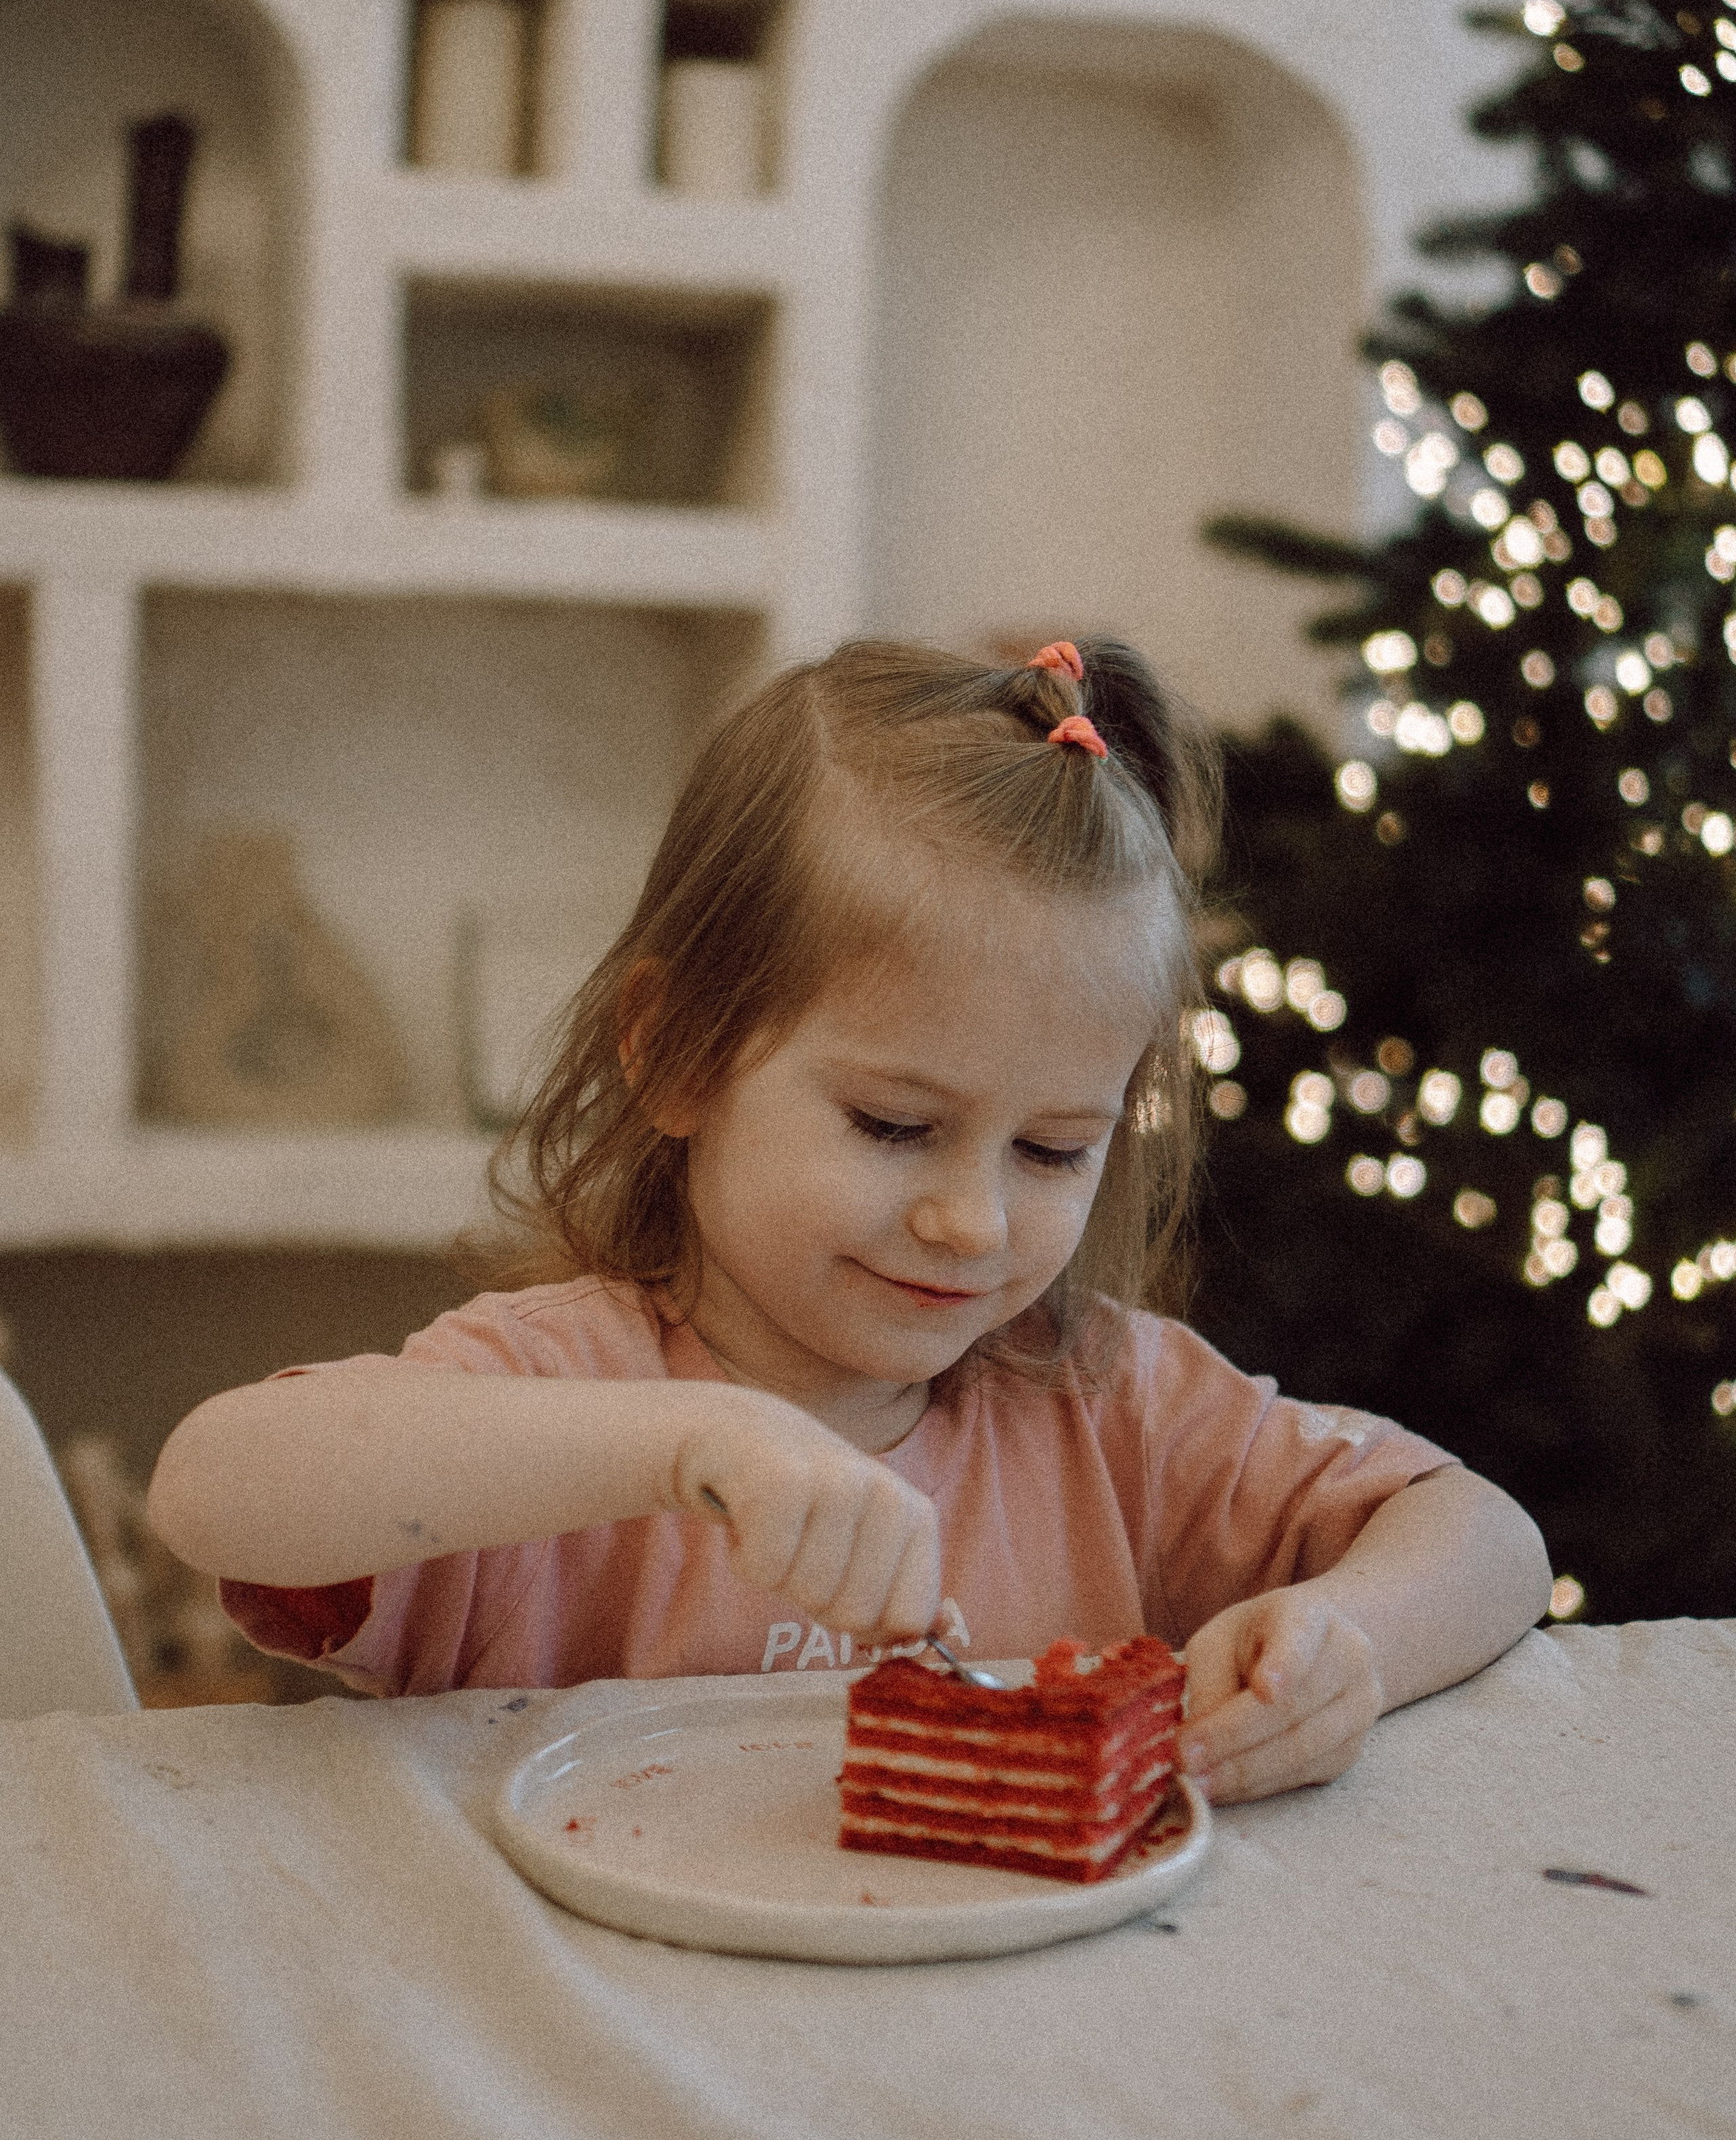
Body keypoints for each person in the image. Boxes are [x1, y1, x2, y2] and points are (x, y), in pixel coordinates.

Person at [148, 638, 1552, 1804]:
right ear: (678, 1052)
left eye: (1054, 1149)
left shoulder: (1106, 1406)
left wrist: (1343, 1640)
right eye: (892, 1125)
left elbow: (1485, 1536)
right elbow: (215, 1487)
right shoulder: (561, 1388)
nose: (970, 1220)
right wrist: (694, 1446)